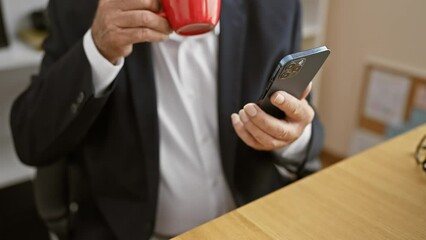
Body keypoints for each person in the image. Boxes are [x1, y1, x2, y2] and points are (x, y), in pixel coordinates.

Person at [10, 0, 324, 239]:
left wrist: (293, 138)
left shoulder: (275, 6)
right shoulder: (83, 10)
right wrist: (98, 48)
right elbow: (30, 142)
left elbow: (299, 118)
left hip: (251, 224)